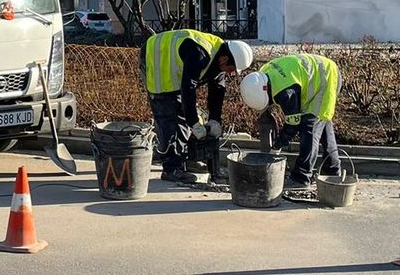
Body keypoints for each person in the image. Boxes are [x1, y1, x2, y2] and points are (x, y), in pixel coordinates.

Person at [143, 29, 254, 184]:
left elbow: (217, 92)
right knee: (167, 117)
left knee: (183, 117)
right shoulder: (199, 54)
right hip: (156, 57)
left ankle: (182, 160)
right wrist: (194, 121)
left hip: (173, 65)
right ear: (224, 59)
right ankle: (171, 169)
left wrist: (215, 120)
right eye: (232, 69)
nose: (231, 73)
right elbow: (188, 87)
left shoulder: (219, 58)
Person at [240, 53, 342, 200]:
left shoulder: (285, 92)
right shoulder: (263, 73)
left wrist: (277, 146)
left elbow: (293, 125)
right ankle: (332, 172)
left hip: (325, 79)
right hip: (321, 72)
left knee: (310, 128)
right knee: (323, 126)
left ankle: (301, 177)